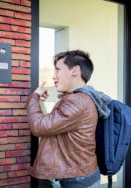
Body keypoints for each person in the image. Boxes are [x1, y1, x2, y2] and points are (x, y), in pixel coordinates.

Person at [26, 50, 110, 187]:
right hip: (81, 176)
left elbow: (39, 126)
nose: (54, 77)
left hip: (75, 181)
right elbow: (53, 125)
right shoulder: (83, 98)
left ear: (75, 71)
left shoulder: (76, 102)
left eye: (58, 70)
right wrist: (39, 100)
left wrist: (34, 97)